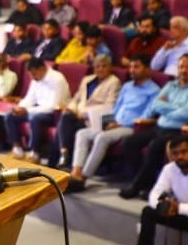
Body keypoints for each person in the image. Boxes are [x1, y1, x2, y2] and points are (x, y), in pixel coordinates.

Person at [65, 55, 161, 192]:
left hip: (131, 127)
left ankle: (83, 178)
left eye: (137, 67)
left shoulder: (154, 90)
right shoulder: (127, 86)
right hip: (114, 123)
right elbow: (116, 108)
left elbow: (146, 115)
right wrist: (109, 122)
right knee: (82, 133)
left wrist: (120, 124)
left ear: (147, 70)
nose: (132, 70)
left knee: (102, 137)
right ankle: (76, 172)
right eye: (131, 67)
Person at [119, 54, 188, 199]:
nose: (184, 70)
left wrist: (166, 107)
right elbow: (155, 105)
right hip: (158, 127)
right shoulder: (171, 85)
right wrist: (176, 107)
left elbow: (187, 113)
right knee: (129, 142)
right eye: (181, 67)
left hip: (179, 131)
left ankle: (137, 187)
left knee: (155, 146)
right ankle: (145, 183)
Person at [55, 55, 121, 168]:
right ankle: (64, 156)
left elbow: (110, 105)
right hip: (78, 114)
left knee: (66, 121)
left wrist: (85, 114)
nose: (100, 69)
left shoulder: (114, 82)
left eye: (103, 66)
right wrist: (72, 108)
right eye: (97, 67)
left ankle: (62, 157)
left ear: (110, 67)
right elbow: (76, 99)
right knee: (66, 116)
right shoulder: (87, 80)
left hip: (96, 119)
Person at [4, 58, 70, 161]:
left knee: (34, 118)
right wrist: (20, 107)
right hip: (37, 109)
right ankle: (17, 149)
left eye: (34, 74)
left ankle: (34, 153)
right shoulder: (36, 78)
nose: (32, 77)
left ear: (42, 68)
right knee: (10, 115)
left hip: (55, 113)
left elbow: (54, 106)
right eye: (30, 75)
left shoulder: (57, 79)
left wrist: (28, 110)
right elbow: (30, 97)